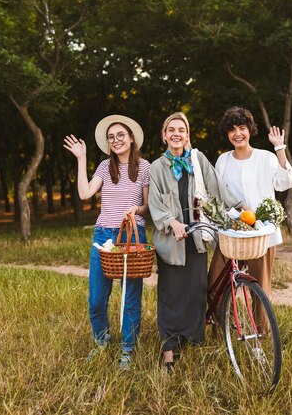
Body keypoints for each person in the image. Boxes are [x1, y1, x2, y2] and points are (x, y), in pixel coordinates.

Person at [148, 112, 242, 371]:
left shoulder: (197, 160)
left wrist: (242, 210)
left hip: (198, 235)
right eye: (171, 129)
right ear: (164, 135)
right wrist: (172, 222)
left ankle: (192, 336)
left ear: (187, 135)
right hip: (171, 239)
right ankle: (169, 347)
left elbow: (217, 187)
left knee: (195, 290)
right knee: (170, 292)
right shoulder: (156, 167)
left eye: (181, 129)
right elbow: (155, 204)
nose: (176, 134)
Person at [63, 115, 150, 370]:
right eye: (111, 137)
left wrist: (137, 209)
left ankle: (128, 348)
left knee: (130, 297)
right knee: (97, 298)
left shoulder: (144, 167)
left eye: (120, 135)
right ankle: (101, 341)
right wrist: (81, 159)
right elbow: (84, 193)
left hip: (132, 236)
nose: (116, 140)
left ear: (131, 137)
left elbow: (148, 206)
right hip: (103, 236)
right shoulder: (104, 167)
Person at [208, 106, 292, 329]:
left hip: (261, 234)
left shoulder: (265, 158)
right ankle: (225, 330)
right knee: (215, 282)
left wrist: (279, 148)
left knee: (261, 288)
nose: (237, 133)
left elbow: (285, 182)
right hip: (231, 232)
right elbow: (217, 196)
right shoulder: (223, 161)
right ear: (227, 134)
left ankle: (260, 336)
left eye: (242, 128)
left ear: (250, 130)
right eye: (232, 129)